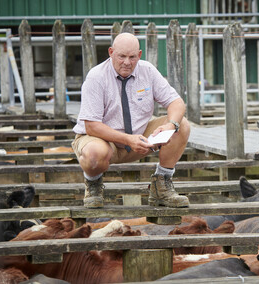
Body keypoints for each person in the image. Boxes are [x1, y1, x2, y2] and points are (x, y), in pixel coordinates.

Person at [72, 32, 190, 209]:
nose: (127, 62)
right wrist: (128, 139)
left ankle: (162, 183)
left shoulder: (147, 70)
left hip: (138, 138)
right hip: (103, 140)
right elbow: (91, 126)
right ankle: (93, 183)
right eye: (121, 56)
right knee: (95, 154)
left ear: (139, 55)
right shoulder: (96, 77)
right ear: (111, 52)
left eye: (132, 57)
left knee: (182, 125)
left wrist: (170, 125)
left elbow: (176, 102)